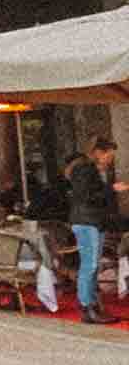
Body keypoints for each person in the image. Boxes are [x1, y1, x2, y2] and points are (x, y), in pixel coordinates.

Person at [66, 135, 126, 325]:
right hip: (88, 221)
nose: (111, 159)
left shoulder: (85, 168)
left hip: (90, 221)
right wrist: (112, 189)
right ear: (99, 153)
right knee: (89, 266)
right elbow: (88, 196)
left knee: (91, 266)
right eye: (109, 155)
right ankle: (87, 306)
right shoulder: (86, 169)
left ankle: (91, 305)